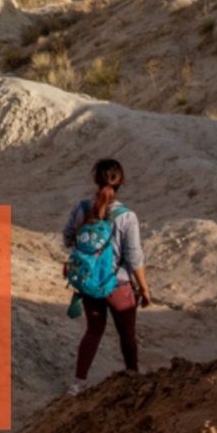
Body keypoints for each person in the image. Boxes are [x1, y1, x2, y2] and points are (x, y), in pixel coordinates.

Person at [63, 158, 150, 395]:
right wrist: (144, 288)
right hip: (118, 283)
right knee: (127, 335)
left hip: (89, 282)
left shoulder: (81, 208)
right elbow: (134, 257)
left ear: (95, 179)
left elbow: (68, 238)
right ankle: (132, 375)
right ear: (122, 182)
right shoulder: (127, 216)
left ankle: (78, 383)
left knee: (93, 331)